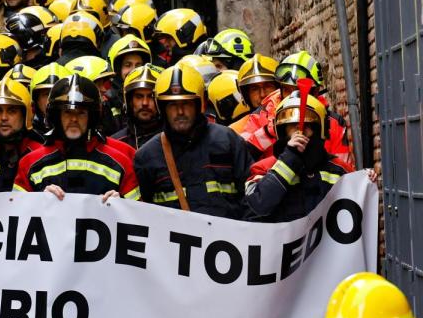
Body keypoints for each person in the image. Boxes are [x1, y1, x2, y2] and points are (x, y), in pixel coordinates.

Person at [133, 64, 252, 219]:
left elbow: (252, 198)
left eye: (186, 103)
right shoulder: (147, 156)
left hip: (230, 234)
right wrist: (115, 202)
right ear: (162, 107)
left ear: (199, 105)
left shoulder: (228, 140)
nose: (180, 111)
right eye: (172, 105)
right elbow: (140, 215)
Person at [245, 91, 366, 221]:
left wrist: (365, 181)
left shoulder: (339, 169)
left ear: (320, 129)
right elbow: (259, 204)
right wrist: (289, 158)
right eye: (292, 126)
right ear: (281, 130)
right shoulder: (262, 168)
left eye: (307, 125)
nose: (300, 131)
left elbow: (358, 208)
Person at [15, 75, 138, 201]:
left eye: (81, 113)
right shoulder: (29, 164)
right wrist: (37, 199)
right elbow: (15, 208)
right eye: (67, 112)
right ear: (57, 116)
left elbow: (138, 210)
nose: (74, 119)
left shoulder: (121, 164)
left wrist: (122, 202)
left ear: (92, 117)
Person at [111, 64, 162, 150]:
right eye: (139, 96)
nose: (145, 103)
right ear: (129, 101)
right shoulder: (115, 144)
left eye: (151, 96)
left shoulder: (174, 140)